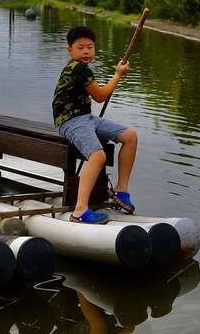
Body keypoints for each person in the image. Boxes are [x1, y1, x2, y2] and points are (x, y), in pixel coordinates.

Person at [52, 26, 138, 224]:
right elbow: (100, 96)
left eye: (90, 47)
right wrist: (117, 74)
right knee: (98, 155)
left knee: (130, 136)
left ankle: (122, 190)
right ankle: (80, 210)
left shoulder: (84, 69)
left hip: (86, 118)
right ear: (70, 51)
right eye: (80, 47)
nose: (85, 52)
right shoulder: (78, 68)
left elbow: (96, 97)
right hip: (69, 121)